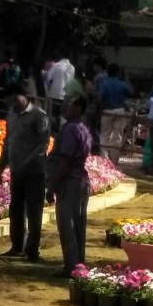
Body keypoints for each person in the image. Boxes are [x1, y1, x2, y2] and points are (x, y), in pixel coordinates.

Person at [0, 89, 50, 262]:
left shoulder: (39, 116)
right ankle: (17, 246)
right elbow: (8, 142)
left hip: (34, 172)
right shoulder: (11, 115)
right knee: (16, 210)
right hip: (16, 172)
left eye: (16, 98)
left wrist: (25, 163)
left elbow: (43, 145)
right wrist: (1, 168)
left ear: (27, 98)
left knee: (34, 212)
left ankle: (32, 250)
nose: (13, 102)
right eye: (11, 99)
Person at [47, 93, 93, 279]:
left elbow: (65, 160)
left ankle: (72, 267)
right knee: (78, 225)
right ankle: (78, 265)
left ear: (79, 108)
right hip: (81, 181)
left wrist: (52, 185)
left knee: (67, 225)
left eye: (69, 105)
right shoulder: (83, 129)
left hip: (70, 181)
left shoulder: (70, 129)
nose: (65, 107)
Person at [97, 63, 132, 165]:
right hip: (120, 111)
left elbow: (99, 98)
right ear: (117, 72)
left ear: (107, 72)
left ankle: (104, 160)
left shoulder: (104, 83)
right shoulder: (121, 83)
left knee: (104, 136)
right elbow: (131, 91)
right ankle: (114, 161)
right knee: (118, 136)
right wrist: (126, 78)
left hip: (107, 110)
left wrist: (100, 107)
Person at [44, 54, 75, 132]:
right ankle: (61, 131)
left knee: (53, 114)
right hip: (66, 95)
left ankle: (52, 131)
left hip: (55, 94)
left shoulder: (57, 65)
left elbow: (48, 77)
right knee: (62, 114)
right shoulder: (72, 68)